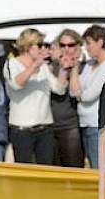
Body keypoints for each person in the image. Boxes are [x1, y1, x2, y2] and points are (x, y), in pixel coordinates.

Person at [4, 28, 70, 164]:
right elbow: (17, 84)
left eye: (44, 45)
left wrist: (64, 69)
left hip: (45, 128)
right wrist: (35, 65)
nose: (43, 49)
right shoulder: (12, 64)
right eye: (39, 45)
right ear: (28, 46)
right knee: (24, 173)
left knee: (46, 171)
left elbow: (59, 89)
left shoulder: (43, 67)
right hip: (22, 130)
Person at [70, 25, 105, 169]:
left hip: (101, 125)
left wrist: (79, 93)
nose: (86, 47)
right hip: (86, 124)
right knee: (93, 168)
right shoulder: (88, 65)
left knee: (99, 169)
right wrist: (75, 67)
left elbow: (88, 96)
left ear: (100, 42)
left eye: (89, 43)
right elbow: (73, 92)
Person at [50, 29, 85, 167]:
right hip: (50, 125)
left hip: (71, 125)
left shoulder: (83, 68)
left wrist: (74, 66)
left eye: (70, 45)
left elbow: (77, 93)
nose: (66, 49)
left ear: (78, 45)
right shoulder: (51, 66)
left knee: (73, 169)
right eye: (62, 45)